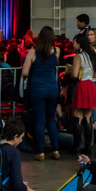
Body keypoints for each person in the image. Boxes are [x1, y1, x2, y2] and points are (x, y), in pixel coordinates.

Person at [21, 26, 61, 161]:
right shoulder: (57, 51)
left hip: (37, 89)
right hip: (52, 88)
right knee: (50, 120)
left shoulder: (32, 52)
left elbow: (25, 72)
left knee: (39, 121)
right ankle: (55, 150)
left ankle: (40, 152)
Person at [71, 33, 96, 154]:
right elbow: (95, 72)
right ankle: (88, 146)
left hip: (82, 85)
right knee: (88, 118)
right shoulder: (92, 55)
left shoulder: (78, 57)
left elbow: (74, 74)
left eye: (75, 42)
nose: (73, 45)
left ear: (79, 44)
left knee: (77, 117)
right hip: (90, 85)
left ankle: (77, 146)